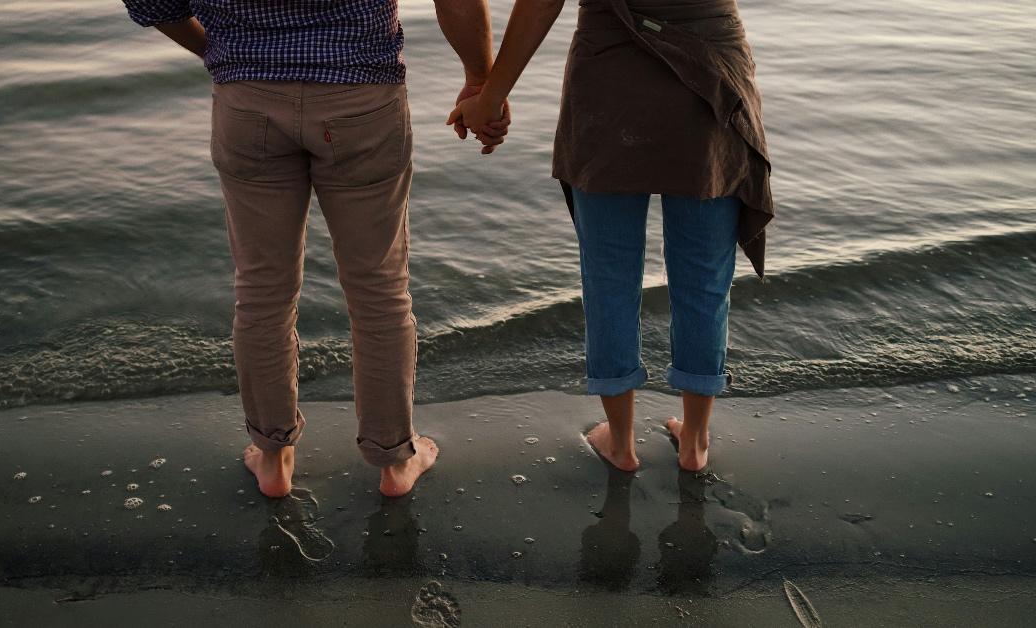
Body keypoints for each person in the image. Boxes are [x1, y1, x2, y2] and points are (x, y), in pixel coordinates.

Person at [121, 0, 509, 497]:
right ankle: (393, 461)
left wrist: (219, 51)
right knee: (380, 291)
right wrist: (481, 77)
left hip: (247, 98)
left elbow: (152, 2)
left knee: (262, 292)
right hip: (361, 95)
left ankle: (273, 456)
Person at [449, 0, 774, 472]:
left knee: (609, 278)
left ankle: (620, 443)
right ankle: (695, 443)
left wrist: (491, 94)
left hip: (608, 77)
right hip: (710, 71)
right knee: (704, 278)